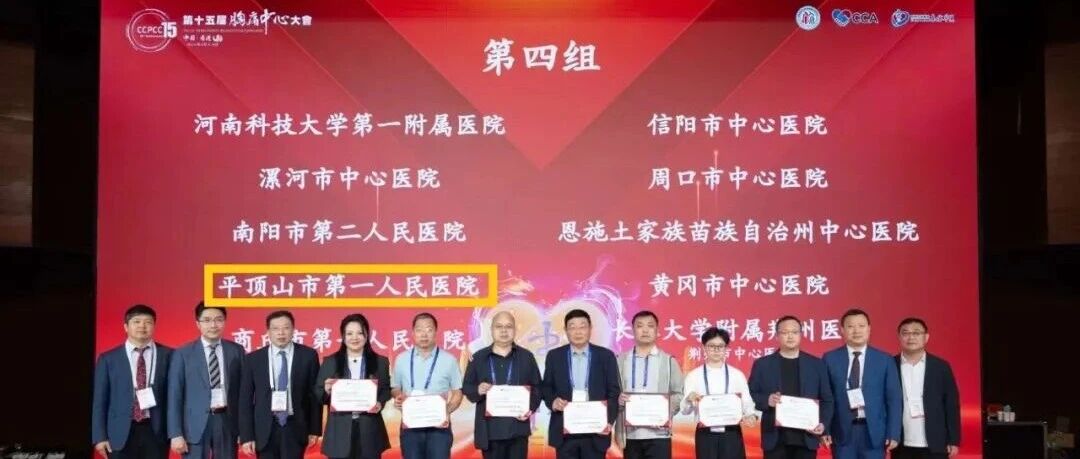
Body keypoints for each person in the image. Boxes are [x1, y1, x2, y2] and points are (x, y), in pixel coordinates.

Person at [92, 304, 174, 459]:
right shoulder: (108, 359)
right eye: (136, 322)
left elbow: (176, 396)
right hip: (119, 433)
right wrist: (99, 436)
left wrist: (176, 432)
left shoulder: (170, 355)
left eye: (148, 322)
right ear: (126, 326)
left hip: (156, 431)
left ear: (154, 326)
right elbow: (99, 402)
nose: (142, 326)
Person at [238, 310, 321, 459]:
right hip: (264, 429)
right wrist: (246, 436)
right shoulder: (253, 359)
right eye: (275, 328)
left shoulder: (308, 355)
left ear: (293, 329)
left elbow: (314, 395)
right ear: (268, 332)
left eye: (286, 328)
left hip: (295, 427)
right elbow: (245, 400)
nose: (281, 333)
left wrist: (314, 429)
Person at [748, 315, 834, 459]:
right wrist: (767, 400)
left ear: (801, 335)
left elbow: (827, 400)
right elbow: (750, 394)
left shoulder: (816, 365)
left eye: (794, 332)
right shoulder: (762, 364)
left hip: (807, 438)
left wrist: (823, 424)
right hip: (775, 439)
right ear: (777, 336)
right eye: (785, 332)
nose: (790, 336)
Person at [167, 302, 245, 459]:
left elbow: (244, 392)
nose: (213, 325)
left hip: (226, 420)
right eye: (207, 320)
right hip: (193, 424)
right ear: (198, 323)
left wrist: (245, 429)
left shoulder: (236, 350)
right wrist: (175, 433)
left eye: (218, 319)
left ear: (225, 322)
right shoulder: (183, 353)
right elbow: (174, 395)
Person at [541, 309, 621, 459]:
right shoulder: (554, 356)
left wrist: (609, 420)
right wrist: (553, 401)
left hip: (596, 430)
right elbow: (546, 387)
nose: (578, 332)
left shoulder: (606, 356)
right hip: (564, 431)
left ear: (590, 329)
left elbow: (613, 392)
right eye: (572, 327)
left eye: (582, 326)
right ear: (566, 330)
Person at [822, 308, 902, 459]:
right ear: (842, 330)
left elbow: (894, 399)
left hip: (874, 433)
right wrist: (825, 428)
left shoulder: (884, 360)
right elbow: (825, 397)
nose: (856, 331)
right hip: (842, 432)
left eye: (861, 326)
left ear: (869, 329)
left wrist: (893, 432)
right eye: (851, 326)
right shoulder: (830, 358)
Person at [462, 310, 542, 459]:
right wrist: (478, 389)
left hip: (517, 430)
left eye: (508, 326)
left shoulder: (526, 357)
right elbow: (467, 387)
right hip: (490, 431)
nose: (504, 331)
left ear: (515, 330)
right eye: (499, 326)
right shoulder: (478, 358)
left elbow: (538, 388)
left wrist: (529, 409)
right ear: (491, 329)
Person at [315, 314, 392, 459]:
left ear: (367, 335)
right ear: (343, 337)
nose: (354, 338)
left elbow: (386, 390)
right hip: (339, 431)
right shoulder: (331, 361)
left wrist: (380, 403)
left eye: (359, 333)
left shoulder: (380, 362)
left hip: (369, 429)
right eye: (349, 333)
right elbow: (318, 394)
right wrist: (326, 390)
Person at [390, 313, 463, 459]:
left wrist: (447, 410)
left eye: (429, 329)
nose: (424, 334)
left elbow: (458, 392)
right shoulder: (401, 359)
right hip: (410, 425)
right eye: (419, 330)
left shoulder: (449, 360)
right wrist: (398, 397)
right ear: (413, 333)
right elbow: (395, 387)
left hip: (439, 428)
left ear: (436, 332)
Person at [614, 310, 685, 459]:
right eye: (640, 326)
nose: (645, 330)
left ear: (657, 331)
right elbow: (612, 392)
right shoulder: (620, 360)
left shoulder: (668, 361)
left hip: (659, 434)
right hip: (630, 435)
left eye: (650, 326)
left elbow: (679, 394)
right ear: (633, 330)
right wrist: (617, 400)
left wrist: (665, 410)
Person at [681, 327, 759, 459]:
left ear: (726, 348)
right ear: (704, 348)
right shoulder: (693, 376)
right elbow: (685, 411)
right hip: (705, 433)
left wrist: (751, 415)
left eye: (720, 346)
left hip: (731, 432)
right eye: (712, 346)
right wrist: (689, 399)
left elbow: (747, 402)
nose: (716, 350)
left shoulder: (737, 375)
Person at [892, 318, 961, 459]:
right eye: (906, 333)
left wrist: (953, 439)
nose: (911, 337)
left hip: (936, 442)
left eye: (916, 333)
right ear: (899, 337)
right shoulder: (890, 365)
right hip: (900, 442)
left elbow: (951, 405)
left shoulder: (941, 367)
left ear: (926, 337)